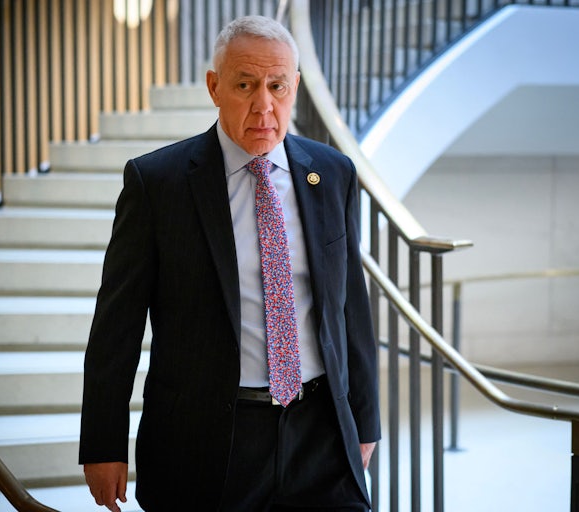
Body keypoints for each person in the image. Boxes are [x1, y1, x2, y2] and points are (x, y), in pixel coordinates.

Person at [79, 15, 381, 512]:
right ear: (215, 87)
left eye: (277, 86)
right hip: (210, 441)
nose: (264, 105)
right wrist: (103, 443)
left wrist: (364, 422)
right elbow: (117, 325)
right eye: (245, 85)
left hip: (320, 432)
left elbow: (351, 308)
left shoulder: (332, 174)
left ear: (295, 87)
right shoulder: (159, 183)